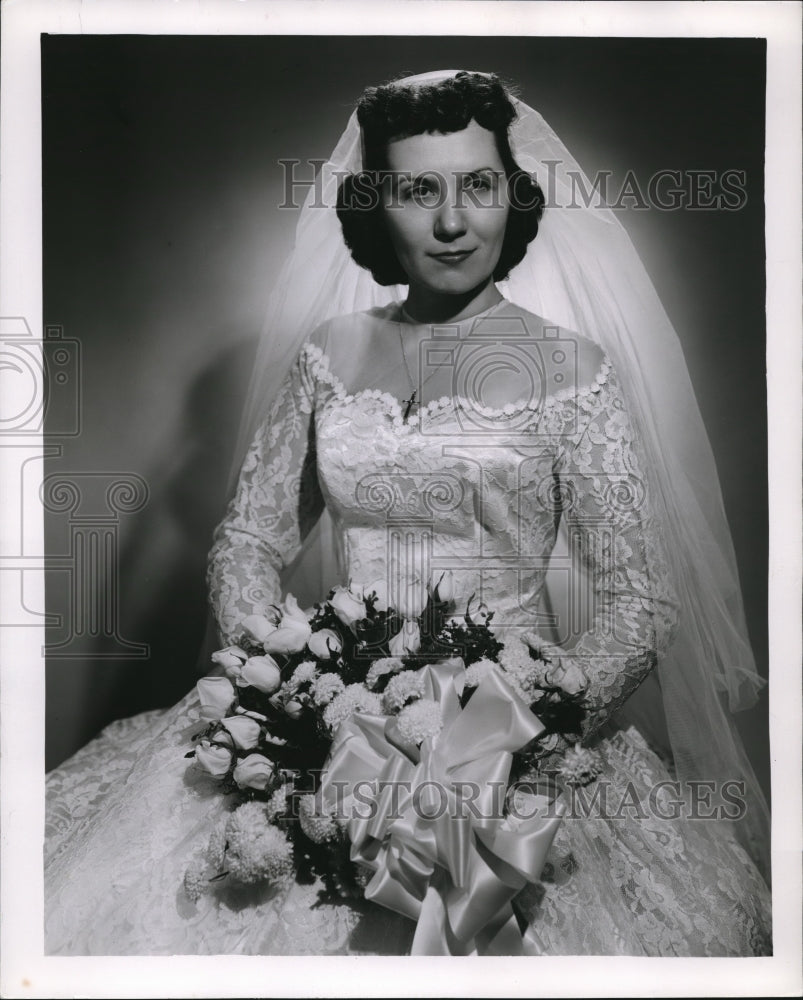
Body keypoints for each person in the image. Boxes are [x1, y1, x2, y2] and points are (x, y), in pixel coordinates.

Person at [45, 70, 771, 956]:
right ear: (373, 207)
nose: (454, 222)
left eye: (478, 185)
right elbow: (249, 539)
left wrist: (515, 722)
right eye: (418, 191)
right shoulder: (329, 355)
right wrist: (296, 690)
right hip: (328, 720)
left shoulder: (573, 370)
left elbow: (639, 600)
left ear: (515, 193)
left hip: (512, 730)